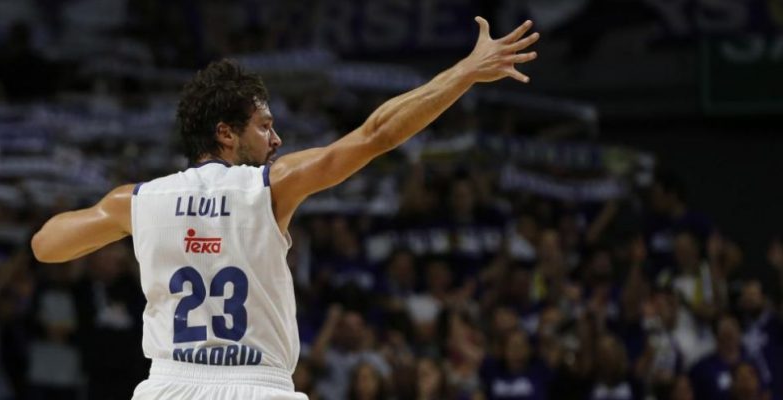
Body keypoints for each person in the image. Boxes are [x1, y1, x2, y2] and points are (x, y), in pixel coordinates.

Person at [30, 16, 540, 400]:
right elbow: (377, 134)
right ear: (225, 133)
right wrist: (466, 72)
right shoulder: (269, 187)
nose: (276, 138)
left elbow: (46, 246)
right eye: (264, 125)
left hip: (167, 387)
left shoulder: (138, 201)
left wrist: (134, 223)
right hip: (258, 385)